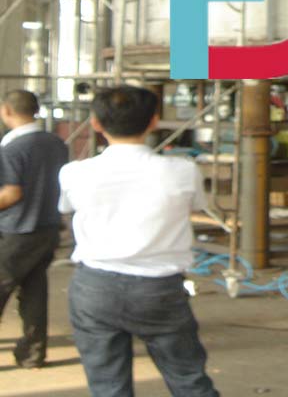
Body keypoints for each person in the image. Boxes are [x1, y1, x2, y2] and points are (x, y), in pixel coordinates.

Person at [59, 85, 219, 397]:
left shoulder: (73, 173)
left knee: (108, 386)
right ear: (154, 121)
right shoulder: (183, 171)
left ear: (96, 123)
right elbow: (197, 205)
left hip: (95, 287)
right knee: (188, 380)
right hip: (160, 288)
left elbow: (66, 208)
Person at [0, 89, 68, 368]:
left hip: (18, 230)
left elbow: (12, 193)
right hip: (48, 227)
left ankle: (32, 352)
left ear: (6, 111)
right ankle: (32, 353)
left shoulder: (12, 148)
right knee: (34, 291)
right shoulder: (56, 143)